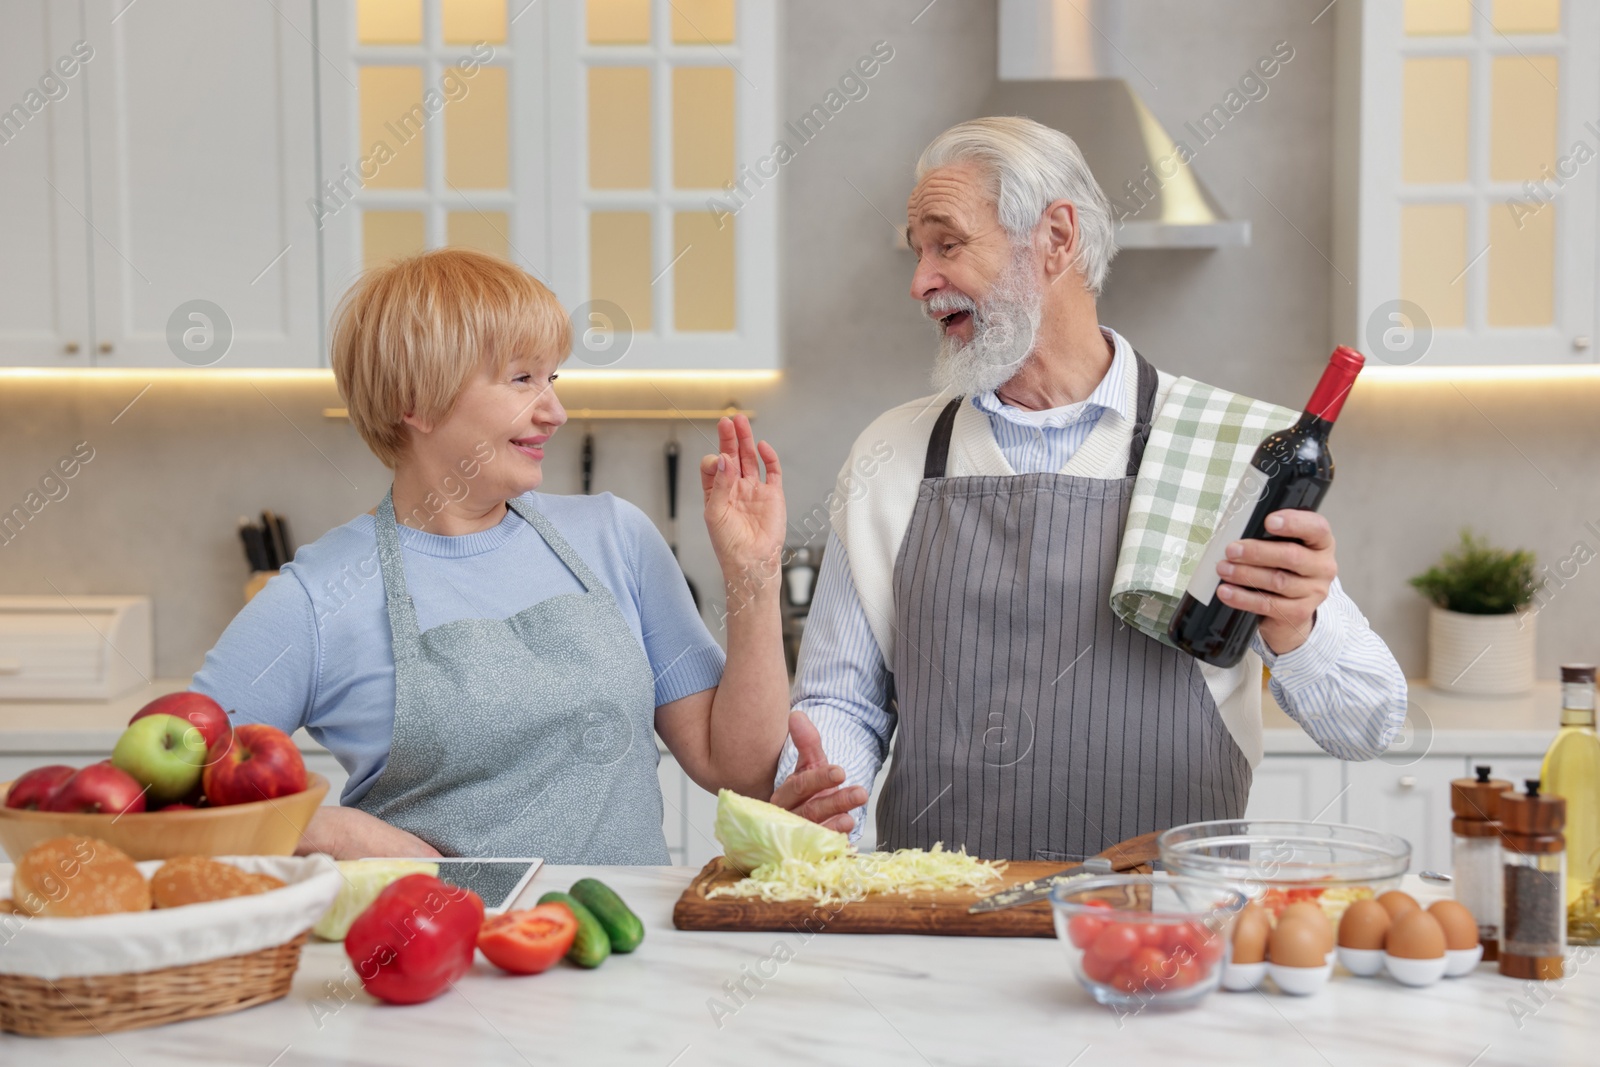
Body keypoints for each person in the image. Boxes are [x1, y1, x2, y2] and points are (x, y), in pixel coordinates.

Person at [768, 117, 1409, 862]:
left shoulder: (1228, 449)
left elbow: (1367, 724)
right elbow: (839, 701)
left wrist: (1298, 627)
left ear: (1057, 239)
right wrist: (817, 792)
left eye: (948, 243)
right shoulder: (892, 454)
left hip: (1169, 933)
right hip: (940, 934)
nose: (920, 282)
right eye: (918, 252)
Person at [192, 249, 792, 863]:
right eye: (522, 379)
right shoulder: (321, 597)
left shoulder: (616, 537)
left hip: (626, 949)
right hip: (441, 951)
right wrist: (328, 831)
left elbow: (740, 772)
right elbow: (157, 792)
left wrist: (755, 574)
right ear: (416, 401)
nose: (554, 411)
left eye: (552, 378)